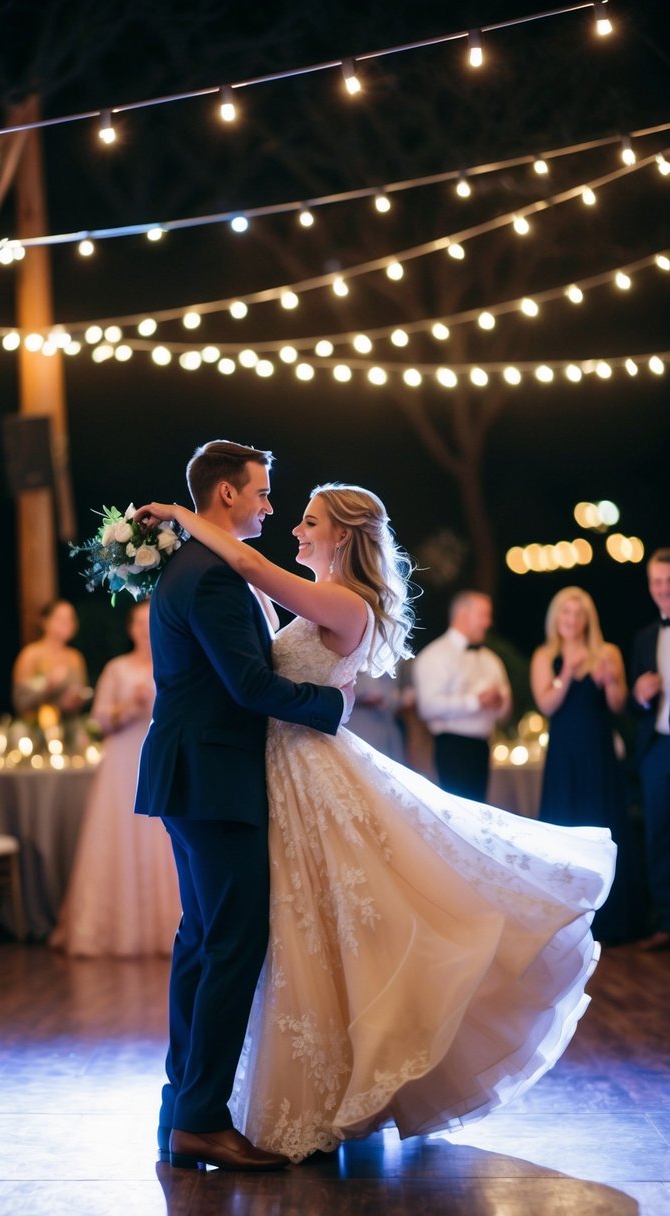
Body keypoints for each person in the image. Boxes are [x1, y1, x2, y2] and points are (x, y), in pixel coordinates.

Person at [138, 484, 615, 1163]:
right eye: (291, 515)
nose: (293, 529)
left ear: (343, 535)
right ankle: (259, 1096)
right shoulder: (310, 597)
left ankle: (312, 1091)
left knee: (332, 926)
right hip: (281, 771)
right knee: (308, 933)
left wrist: (183, 520)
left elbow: (249, 571)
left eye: (308, 522)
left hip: (305, 767)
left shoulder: (341, 601)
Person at [133, 441, 348, 1173]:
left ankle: (180, 1105)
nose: (267, 505)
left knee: (202, 940)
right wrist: (334, 705)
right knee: (229, 944)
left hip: (194, 776)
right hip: (213, 778)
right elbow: (249, 687)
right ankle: (199, 1119)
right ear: (225, 495)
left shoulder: (190, 563)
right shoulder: (214, 578)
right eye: (260, 493)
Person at [51, 599, 181, 957]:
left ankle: (170, 930)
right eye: (138, 623)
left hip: (161, 757)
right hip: (124, 759)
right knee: (120, 834)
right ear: (130, 629)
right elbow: (98, 721)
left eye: (149, 622)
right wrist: (126, 707)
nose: (144, 629)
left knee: (165, 839)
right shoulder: (116, 668)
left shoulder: (176, 662)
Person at [531, 587, 644, 944]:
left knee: (605, 822)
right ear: (557, 618)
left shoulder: (606, 652)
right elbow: (546, 705)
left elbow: (618, 704)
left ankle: (613, 922)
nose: (572, 620)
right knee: (564, 826)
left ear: (587, 619)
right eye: (566, 613)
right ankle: (565, 923)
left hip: (598, 750)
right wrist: (567, 673)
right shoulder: (545, 656)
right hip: (564, 754)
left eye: (579, 614)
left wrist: (611, 682)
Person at [413, 590, 512, 801]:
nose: (488, 622)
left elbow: (505, 713)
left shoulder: (491, 660)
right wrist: (476, 701)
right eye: (483, 615)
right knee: (457, 816)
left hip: (483, 747)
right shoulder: (434, 655)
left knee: (480, 815)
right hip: (451, 749)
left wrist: (500, 702)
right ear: (462, 614)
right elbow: (428, 707)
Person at [631, 548, 670, 951]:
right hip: (658, 746)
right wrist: (639, 695)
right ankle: (665, 920)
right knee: (658, 832)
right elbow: (631, 704)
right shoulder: (644, 637)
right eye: (657, 582)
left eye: (669, 582)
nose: (663, 590)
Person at [12, 599, 91, 723]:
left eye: (70, 619)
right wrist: (47, 685)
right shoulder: (30, 654)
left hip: (68, 722)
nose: (67, 623)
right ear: (45, 621)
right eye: (60, 619)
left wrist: (76, 699)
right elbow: (20, 701)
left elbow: (80, 694)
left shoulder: (75, 657)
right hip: (35, 724)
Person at [347, 666, 414, 763]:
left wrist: (393, 699)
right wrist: (363, 696)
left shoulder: (392, 660)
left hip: (385, 721)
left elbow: (392, 689)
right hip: (360, 720)